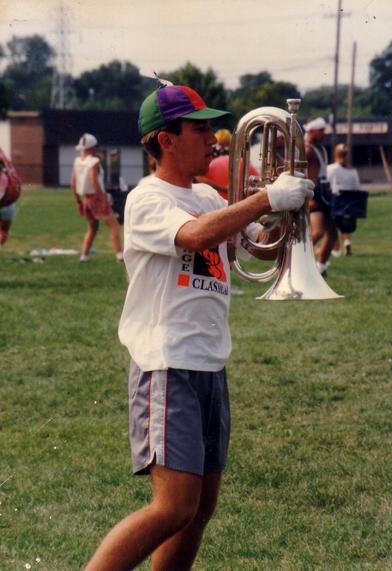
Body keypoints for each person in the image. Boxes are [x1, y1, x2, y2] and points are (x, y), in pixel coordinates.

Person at [84, 83, 313, 571]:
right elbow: (195, 235)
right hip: (167, 361)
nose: (214, 136)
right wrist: (265, 198)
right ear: (165, 140)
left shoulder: (210, 195)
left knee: (199, 509)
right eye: (200, 127)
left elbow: (253, 246)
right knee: (174, 506)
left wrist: (284, 202)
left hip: (210, 358)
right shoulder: (147, 198)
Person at [71, 133, 123, 262]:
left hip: (85, 198)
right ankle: (119, 255)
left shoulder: (77, 161)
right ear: (92, 147)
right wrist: (103, 198)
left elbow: (73, 182)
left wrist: (78, 201)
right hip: (96, 197)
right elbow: (94, 180)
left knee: (92, 228)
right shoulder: (94, 161)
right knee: (114, 225)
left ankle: (84, 255)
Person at [304, 117, 338, 275]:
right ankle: (295, 258)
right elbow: (304, 175)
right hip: (315, 194)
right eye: (321, 131)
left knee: (331, 234)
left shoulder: (319, 149)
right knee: (318, 232)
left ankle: (321, 266)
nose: (324, 134)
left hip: (325, 192)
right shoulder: (307, 150)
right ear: (312, 131)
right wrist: (309, 197)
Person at [327, 143, 362, 256]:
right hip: (349, 199)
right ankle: (347, 242)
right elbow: (357, 187)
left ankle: (336, 249)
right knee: (345, 225)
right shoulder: (352, 171)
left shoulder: (331, 168)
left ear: (335, 154)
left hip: (335, 198)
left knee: (333, 225)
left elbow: (327, 183)